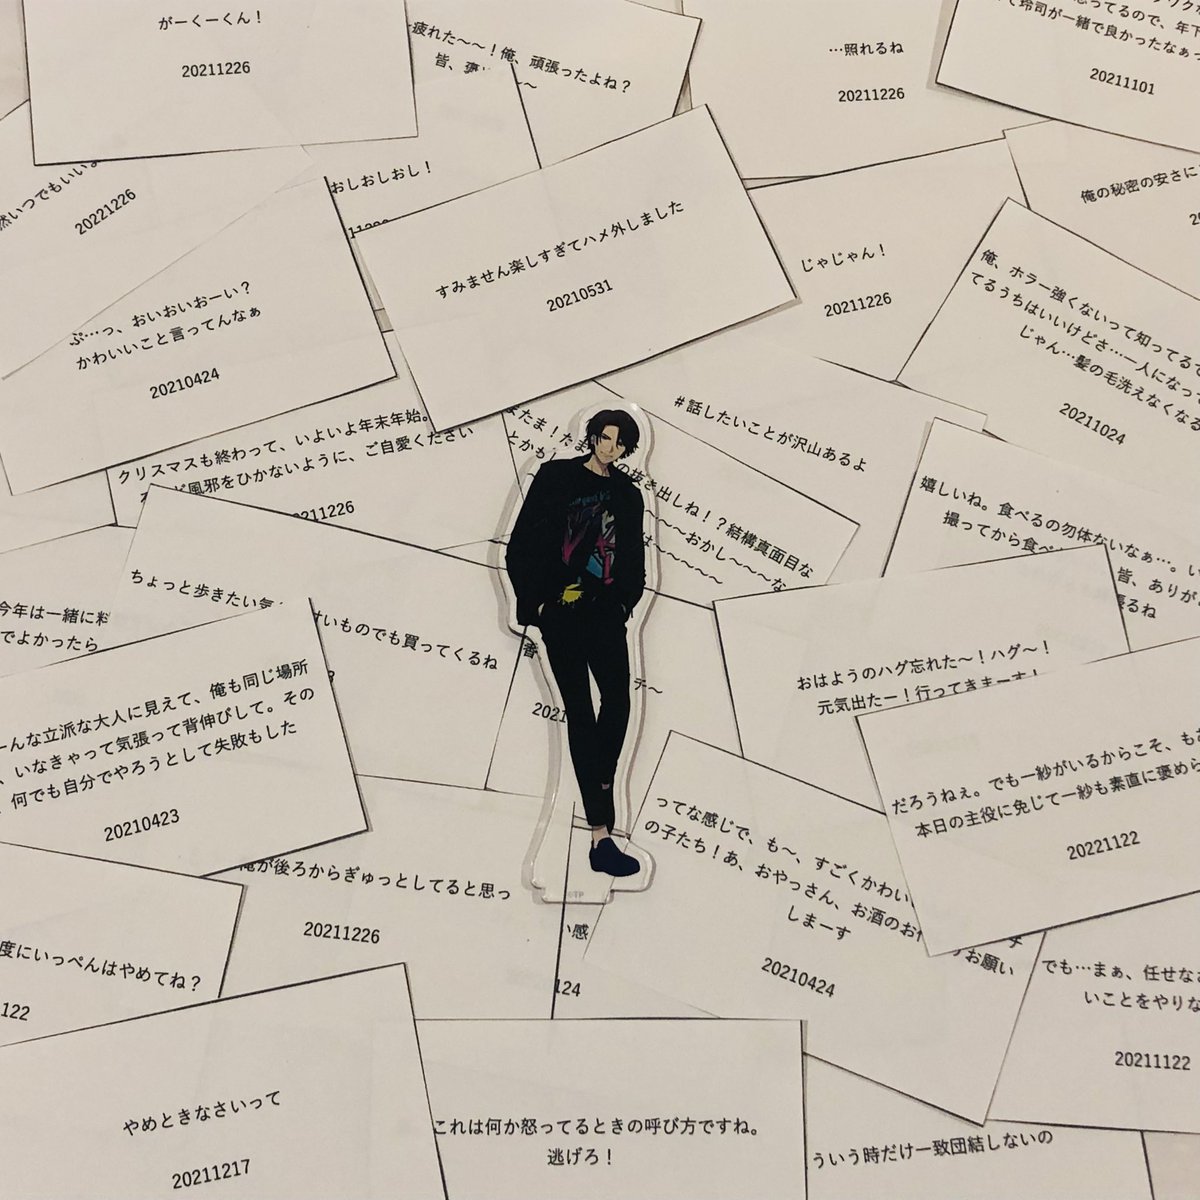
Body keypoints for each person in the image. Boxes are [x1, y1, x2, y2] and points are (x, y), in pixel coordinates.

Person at [505, 409, 646, 878]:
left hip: (605, 614)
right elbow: (521, 544)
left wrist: (623, 603)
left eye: (619, 442)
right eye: (604, 437)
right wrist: (539, 605)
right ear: (591, 437)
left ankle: (599, 784)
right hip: (561, 614)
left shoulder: (627, 494)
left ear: (626, 449)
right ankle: (601, 837)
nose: (609, 447)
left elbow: (633, 557)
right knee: (581, 713)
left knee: (618, 703)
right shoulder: (556, 477)